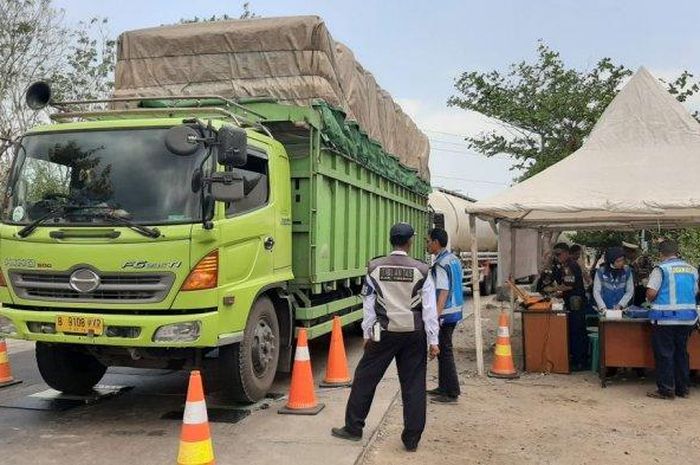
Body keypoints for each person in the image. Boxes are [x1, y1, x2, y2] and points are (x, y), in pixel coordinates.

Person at [332, 222, 440, 451]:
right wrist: (434, 341)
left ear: (391, 240)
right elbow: (429, 309)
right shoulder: (421, 270)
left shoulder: (374, 267)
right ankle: (411, 439)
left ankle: (353, 427)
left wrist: (367, 332)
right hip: (413, 333)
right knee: (413, 384)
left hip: (383, 333)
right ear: (409, 242)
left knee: (365, 378)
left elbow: (369, 304)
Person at [646, 240, 699, 399]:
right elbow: (695, 291)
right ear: (677, 251)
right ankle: (683, 389)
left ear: (661, 253)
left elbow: (651, 293)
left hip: (664, 319)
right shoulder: (692, 269)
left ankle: (666, 390)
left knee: (664, 354)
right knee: (681, 353)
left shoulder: (661, 269)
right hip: (687, 319)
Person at [426, 228, 464, 404]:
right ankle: (443, 387)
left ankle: (451, 392)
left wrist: (435, 317)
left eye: (428, 241)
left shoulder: (440, 264)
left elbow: (442, 291)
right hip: (455, 311)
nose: (427, 244)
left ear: (435, 242)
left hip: (445, 313)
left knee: (445, 351)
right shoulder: (454, 259)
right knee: (444, 351)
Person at [552, 243, 588, 370]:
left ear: (566, 253)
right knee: (576, 331)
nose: (557, 257)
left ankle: (579, 362)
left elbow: (568, 285)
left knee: (576, 332)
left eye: (559, 254)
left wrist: (554, 289)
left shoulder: (570, 266)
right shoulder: (565, 265)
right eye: (555, 255)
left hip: (576, 303)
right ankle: (579, 359)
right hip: (573, 302)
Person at [623, 241, 654, 306]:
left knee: (639, 307)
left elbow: (645, 274)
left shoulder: (642, 260)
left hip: (640, 288)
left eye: (626, 252)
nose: (625, 254)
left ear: (631, 252)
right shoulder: (630, 261)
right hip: (633, 287)